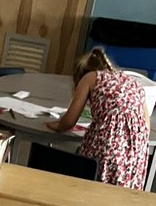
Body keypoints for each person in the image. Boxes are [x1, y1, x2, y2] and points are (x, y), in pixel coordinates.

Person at [47, 47, 150, 189]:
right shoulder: (133, 82)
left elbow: (69, 121)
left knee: (93, 185)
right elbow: (146, 125)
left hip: (108, 145)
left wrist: (57, 125)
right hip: (136, 150)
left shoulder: (90, 78)